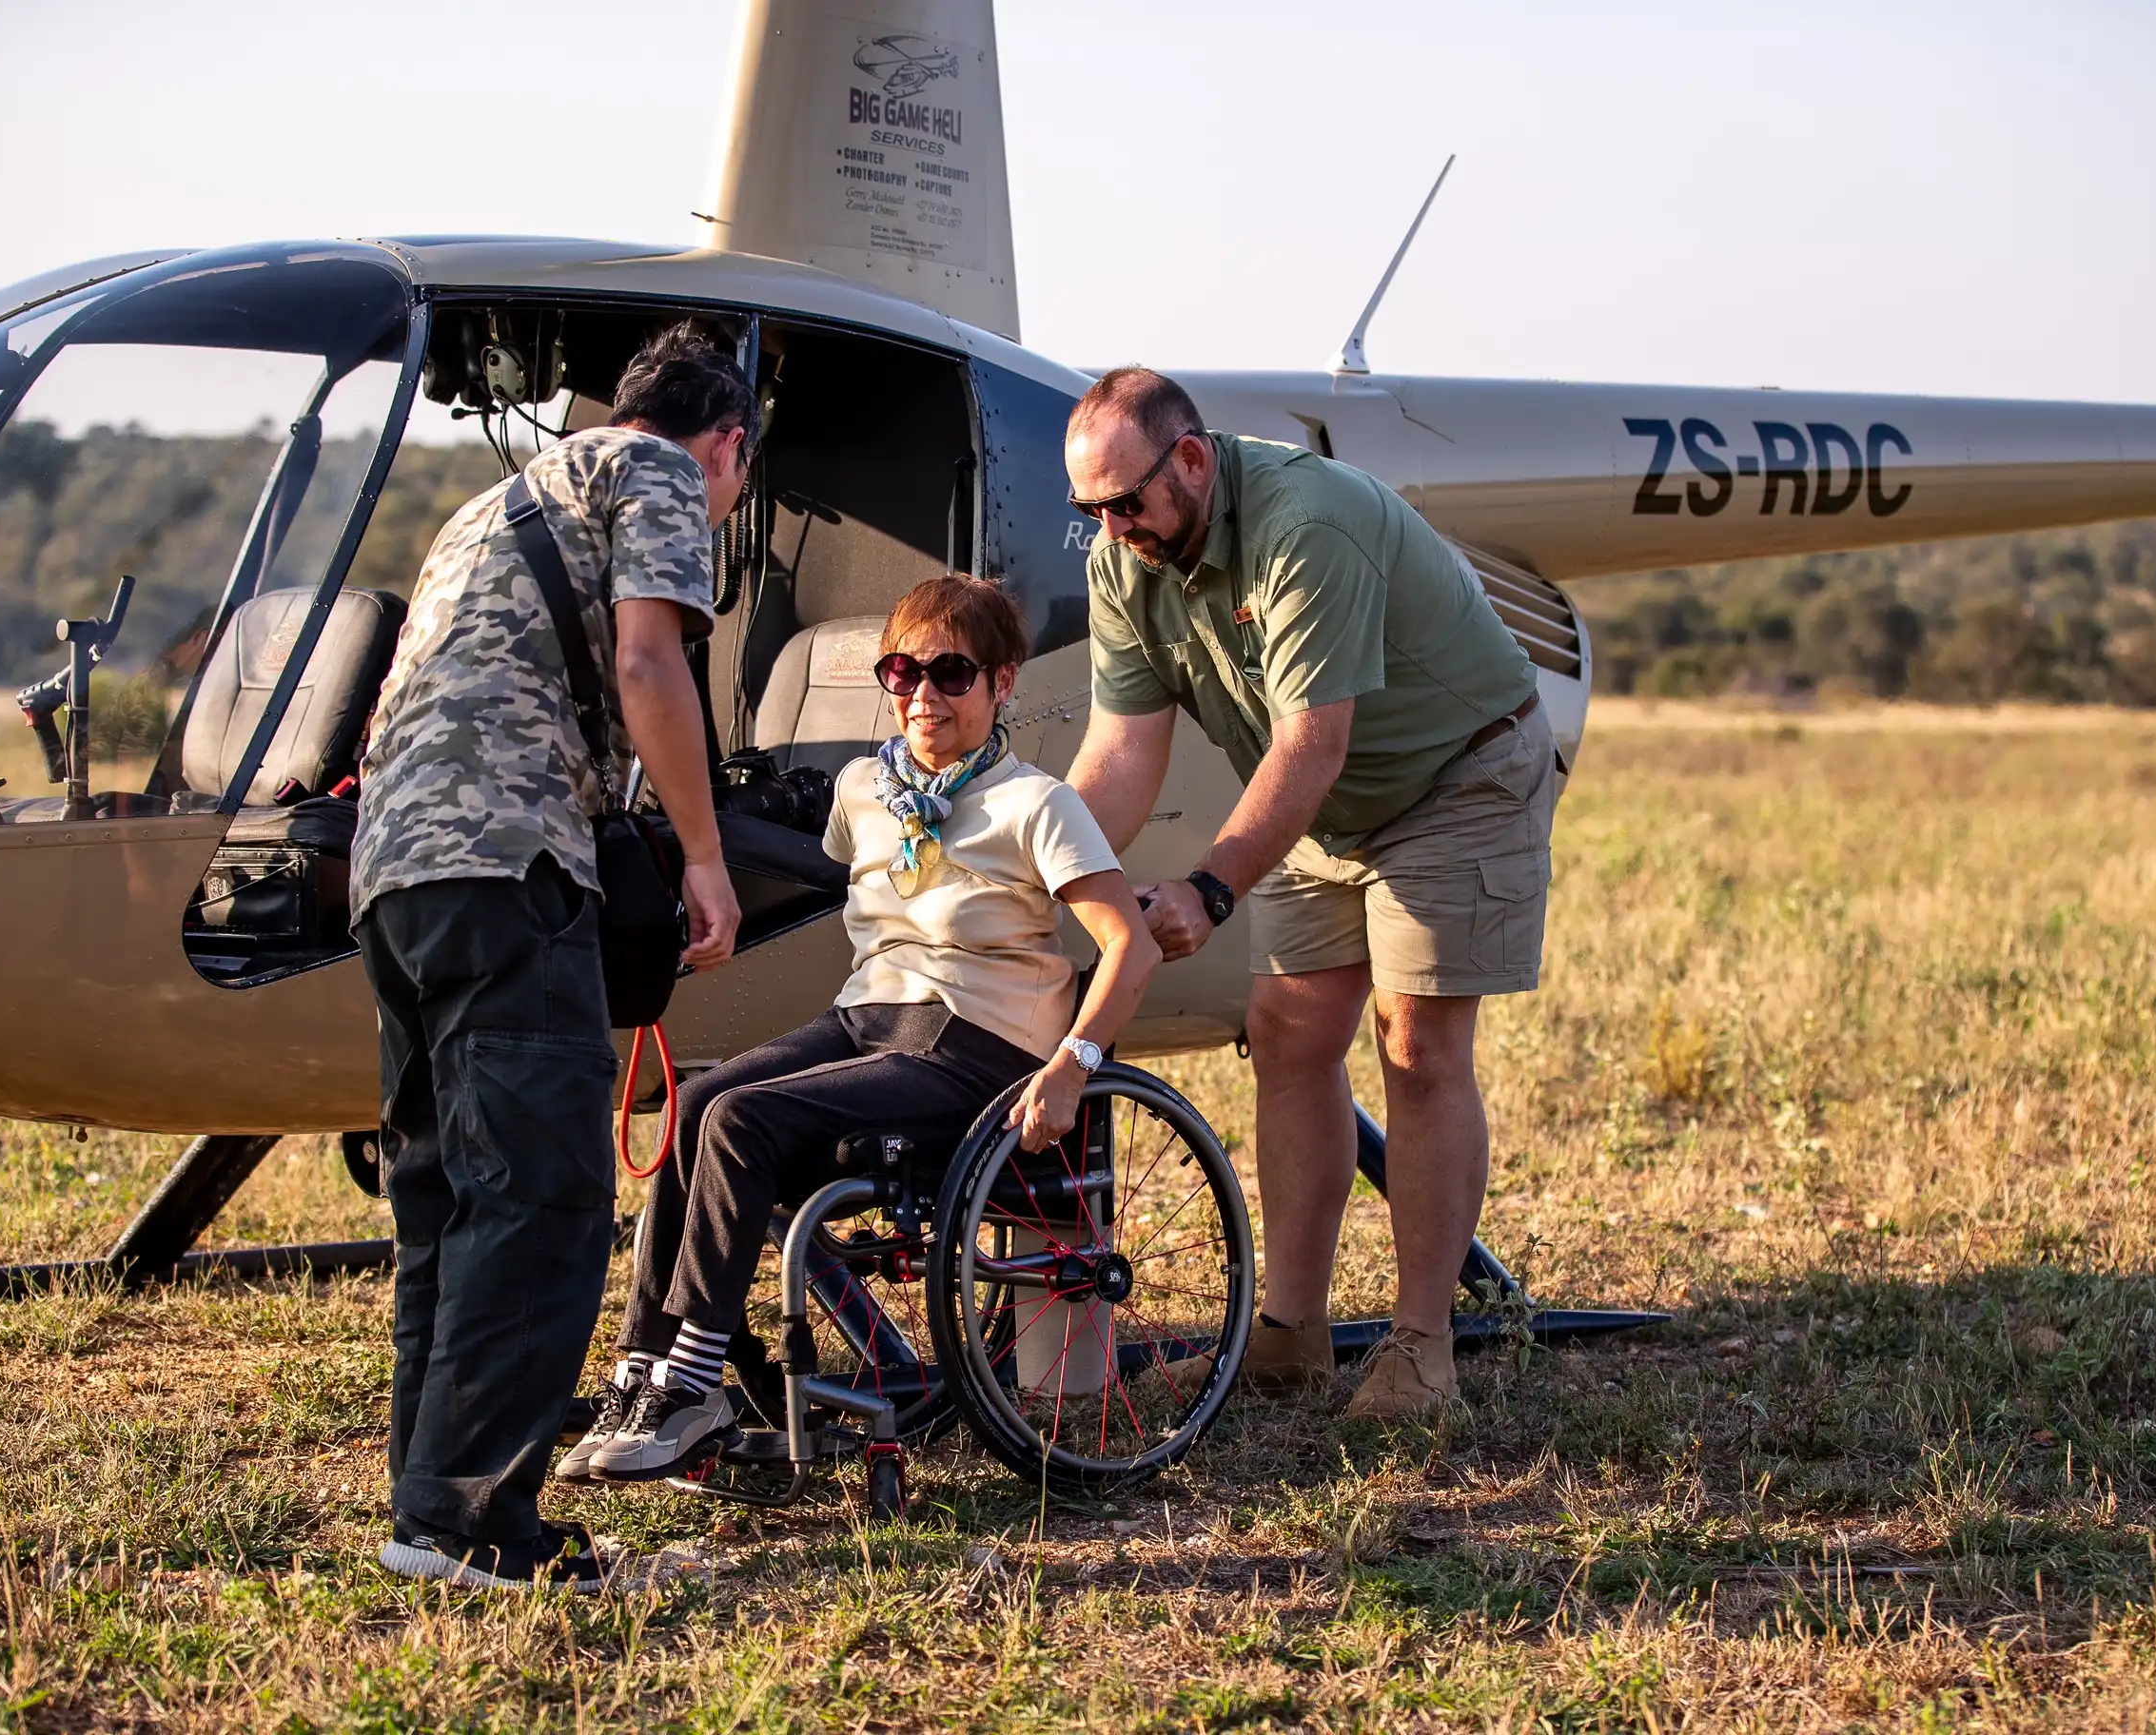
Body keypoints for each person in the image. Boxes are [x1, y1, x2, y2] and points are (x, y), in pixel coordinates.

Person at [562, 574, 1159, 1482]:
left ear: (1003, 684)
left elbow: (1132, 948)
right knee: (698, 1102)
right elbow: (847, 868)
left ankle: (690, 1386)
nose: (924, 696)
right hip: (868, 1015)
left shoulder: (1036, 804)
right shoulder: (862, 790)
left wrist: (1074, 1066)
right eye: (902, 672)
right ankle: (643, 1369)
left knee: (742, 1121)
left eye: (952, 674)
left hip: (978, 1044)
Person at [1063, 366, 1557, 1421]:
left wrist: (1207, 885)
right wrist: (1038, 868)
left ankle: (1422, 1353)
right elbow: (1118, 754)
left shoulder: (1305, 524)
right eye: (1089, 509)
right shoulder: (1124, 565)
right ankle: (1290, 1335)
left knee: (1416, 1045)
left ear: (1190, 459)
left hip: (1455, 773)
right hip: (1324, 807)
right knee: (1287, 1034)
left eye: (1126, 501)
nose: (1110, 528)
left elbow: (1310, 742)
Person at [349, 325, 750, 1591]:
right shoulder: (664, 475)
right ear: (729, 443)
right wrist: (700, 850)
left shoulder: (492, 502)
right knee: (547, 1195)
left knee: (451, 1200)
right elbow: (649, 658)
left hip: (396, 874)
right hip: (504, 857)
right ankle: (478, 1527)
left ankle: (428, 1511)